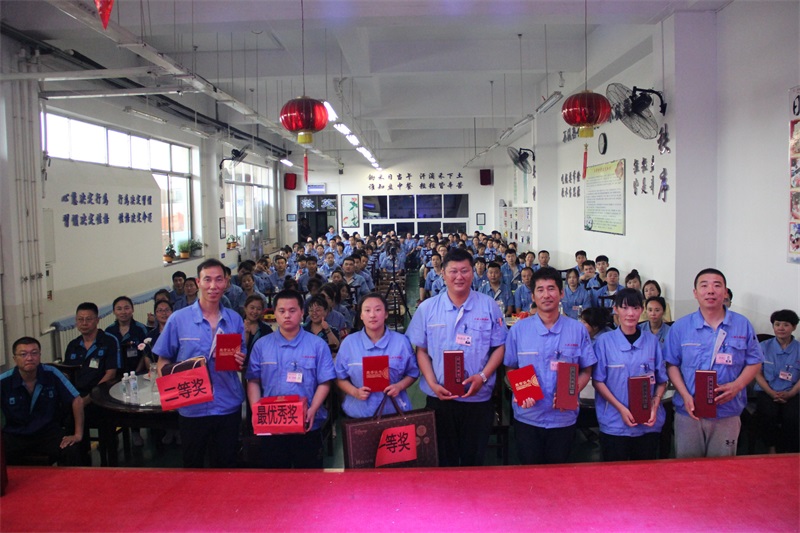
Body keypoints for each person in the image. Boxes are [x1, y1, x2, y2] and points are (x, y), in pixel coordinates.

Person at [406, 248, 507, 467]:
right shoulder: (427, 308)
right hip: (439, 399)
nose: (459, 277)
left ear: (473, 273)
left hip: (477, 399)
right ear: (443, 273)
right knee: (444, 462)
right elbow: (421, 350)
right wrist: (432, 383)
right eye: (453, 271)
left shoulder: (488, 306)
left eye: (464, 271)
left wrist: (483, 376)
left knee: (474, 461)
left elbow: (499, 347)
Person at [153, 258, 246, 468]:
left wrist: (240, 360)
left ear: (226, 282)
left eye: (219, 279)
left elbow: (241, 358)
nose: (213, 286)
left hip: (227, 405)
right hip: (192, 408)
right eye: (207, 279)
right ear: (198, 282)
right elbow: (163, 359)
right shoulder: (178, 319)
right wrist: (171, 391)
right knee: (193, 467)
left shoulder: (234, 320)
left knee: (226, 465)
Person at [664, 268, 763, 458]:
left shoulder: (742, 325)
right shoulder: (680, 327)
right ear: (695, 293)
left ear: (725, 292)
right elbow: (671, 364)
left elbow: (755, 361)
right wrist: (685, 395)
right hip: (689, 411)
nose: (710, 290)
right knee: (688, 466)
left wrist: (737, 385)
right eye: (704, 285)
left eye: (717, 285)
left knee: (722, 468)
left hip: (727, 412)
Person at [504, 267, 596, 465]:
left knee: (559, 472)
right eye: (540, 290)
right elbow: (510, 367)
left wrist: (572, 391)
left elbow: (586, 369)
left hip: (563, 418)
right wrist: (521, 389)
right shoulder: (519, 330)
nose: (546, 295)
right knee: (530, 471)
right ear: (533, 296)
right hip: (528, 416)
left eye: (551, 288)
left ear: (561, 293)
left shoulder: (577, 330)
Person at [246, 290, 336, 468]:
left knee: (309, 476)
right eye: (281, 311)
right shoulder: (261, 345)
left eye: (292, 310)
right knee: (275, 477)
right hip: (273, 424)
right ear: (274, 313)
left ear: (302, 312)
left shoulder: (317, 345)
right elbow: (253, 381)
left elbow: (325, 382)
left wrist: (313, 409)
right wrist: (257, 411)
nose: (287, 315)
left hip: (307, 423)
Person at [592, 289, 668, 461]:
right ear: (616, 309)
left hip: (648, 424)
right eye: (625, 308)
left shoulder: (652, 341)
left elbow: (661, 381)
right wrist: (621, 409)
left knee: (645, 472)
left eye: (635, 308)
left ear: (642, 310)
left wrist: (654, 405)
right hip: (614, 423)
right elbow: (598, 381)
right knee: (615, 473)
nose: (631, 313)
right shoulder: (604, 342)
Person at [1, 337, 84, 466]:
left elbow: (77, 400)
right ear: (14, 358)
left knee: (71, 450)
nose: (29, 358)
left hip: (48, 434)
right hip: (15, 435)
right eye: (23, 354)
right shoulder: (4, 380)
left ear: (40, 355)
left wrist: (78, 434)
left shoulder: (52, 373)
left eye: (34, 353)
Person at [335, 293, 419, 418]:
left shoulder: (401, 342)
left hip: (395, 412)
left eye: (378, 310)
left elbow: (412, 373)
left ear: (386, 314)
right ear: (361, 315)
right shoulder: (349, 343)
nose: (372, 315)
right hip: (359, 414)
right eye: (367, 310)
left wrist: (399, 386)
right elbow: (340, 377)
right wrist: (355, 392)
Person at [62, 302, 120, 464]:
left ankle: (108, 462)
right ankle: (80, 462)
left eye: (88, 319)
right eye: (80, 319)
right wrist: (76, 399)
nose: (84, 323)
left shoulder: (109, 341)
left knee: (104, 420)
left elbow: (111, 373)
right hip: (77, 397)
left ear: (97, 320)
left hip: (101, 395)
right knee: (67, 418)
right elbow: (67, 375)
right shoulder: (73, 345)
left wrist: (89, 398)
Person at [754, 309, 799, 453]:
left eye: (786, 325)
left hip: (792, 392)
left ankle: (789, 452)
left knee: (792, 417)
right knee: (768, 414)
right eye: (777, 324)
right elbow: (757, 373)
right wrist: (771, 392)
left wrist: (791, 393)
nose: (781, 328)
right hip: (767, 391)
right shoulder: (763, 346)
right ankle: (771, 449)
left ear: (794, 327)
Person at [106, 296, 149, 375]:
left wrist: (136, 373)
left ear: (132, 309)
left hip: (138, 373)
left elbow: (145, 354)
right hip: (115, 375)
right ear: (114, 311)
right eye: (119, 309)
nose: (123, 312)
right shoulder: (109, 331)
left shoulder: (140, 329)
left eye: (126, 308)